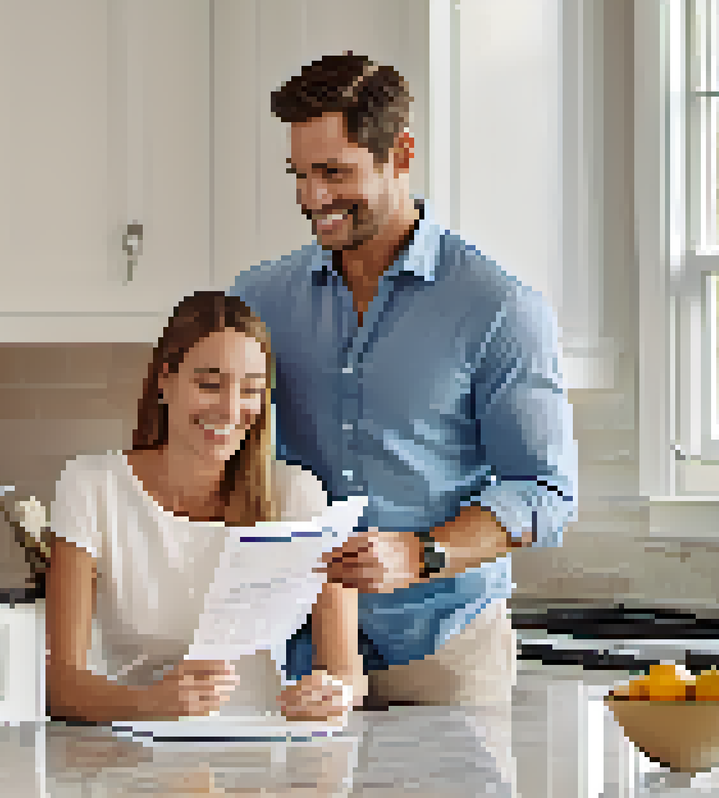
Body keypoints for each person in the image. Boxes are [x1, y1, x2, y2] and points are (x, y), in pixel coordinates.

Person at [231, 53, 579, 708]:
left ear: (401, 152)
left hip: (445, 652)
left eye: (334, 173)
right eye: (300, 175)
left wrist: (424, 552)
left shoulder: (497, 306)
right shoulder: (260, 300)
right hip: (297, 657)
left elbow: (545, 491)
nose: (313, 199)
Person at [44, 292, 366, 723]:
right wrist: (150, 704)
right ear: (165, 380)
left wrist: (334, 692)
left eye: (250, 390)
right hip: (135, 759)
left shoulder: (298, 496)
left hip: (263, 762)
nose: (231, 409)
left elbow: (347, 671)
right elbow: (61, 686)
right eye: (209, 384)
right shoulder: (92, 487)